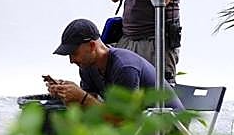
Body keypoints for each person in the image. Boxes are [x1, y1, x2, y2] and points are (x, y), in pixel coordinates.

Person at [47, 18, 183, 110]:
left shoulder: (124, 66)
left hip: (168, 129)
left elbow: (121, 119)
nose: (71, 60)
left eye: (74, 53)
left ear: (91, 45)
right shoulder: (87, 67)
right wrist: (67, 95)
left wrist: (81, 97)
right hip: (140, 123)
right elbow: (91, 109)